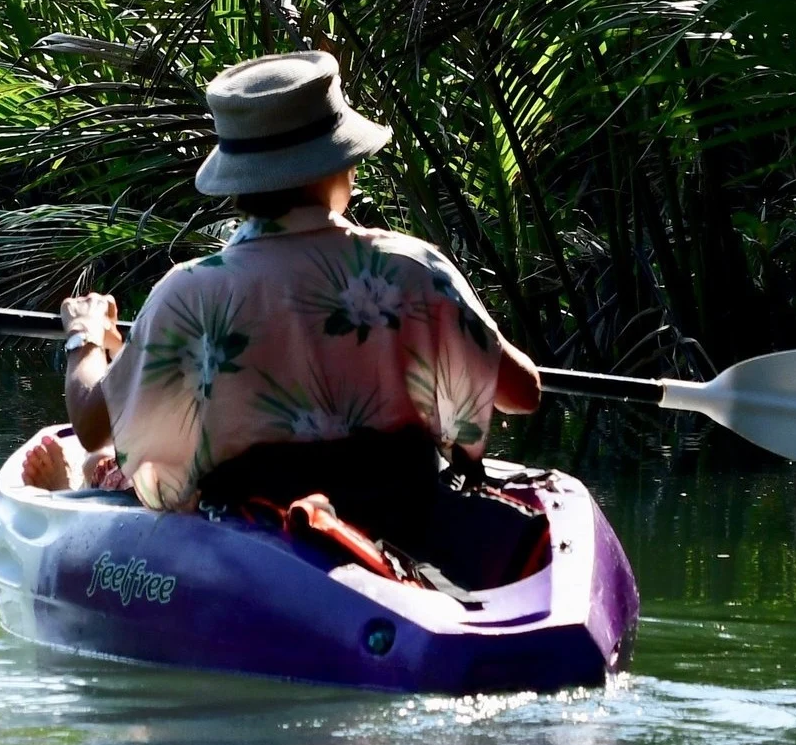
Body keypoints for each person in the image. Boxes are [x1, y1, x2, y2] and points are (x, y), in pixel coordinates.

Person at [35, 50, 541, 552]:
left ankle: (73, 481)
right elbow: (524, 393)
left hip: (251, 553)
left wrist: (86, 334)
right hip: (399, 535)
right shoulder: (413, 267)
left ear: (238, 181)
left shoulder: (189, 294)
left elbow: (93, 425)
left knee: (98, 459)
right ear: (340, 163)